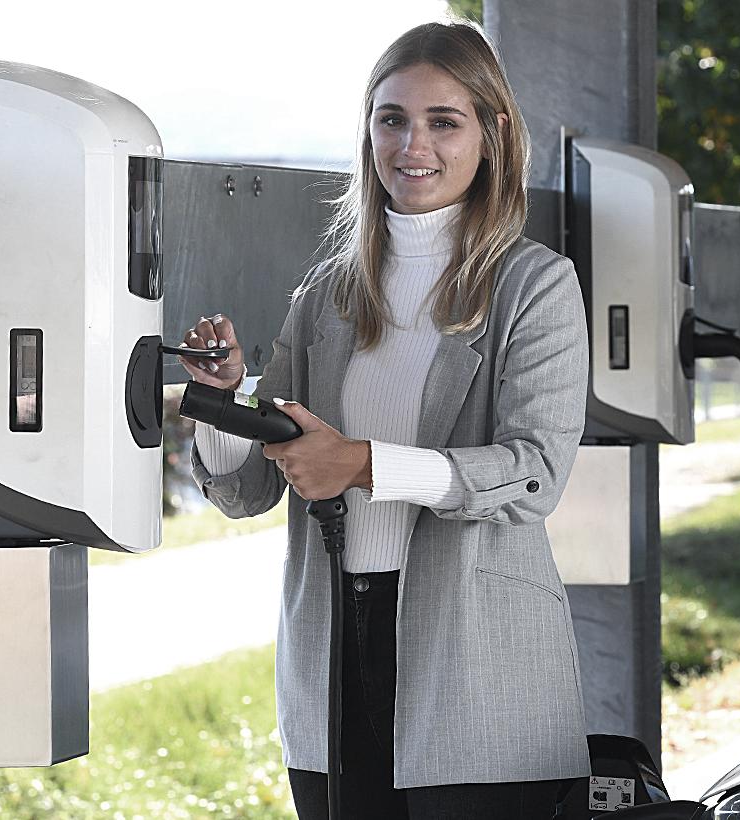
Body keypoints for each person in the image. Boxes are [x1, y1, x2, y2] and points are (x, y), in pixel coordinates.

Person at [180, 20, 590, 820]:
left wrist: (363, 464)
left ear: (492, 133)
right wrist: (225, 401)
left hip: (476, 660)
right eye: (391, 118)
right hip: (334, 653)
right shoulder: (327, 293)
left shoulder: (534, 287)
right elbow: (247, 492)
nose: (413, 145)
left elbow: (534, 472)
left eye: (444, 121)